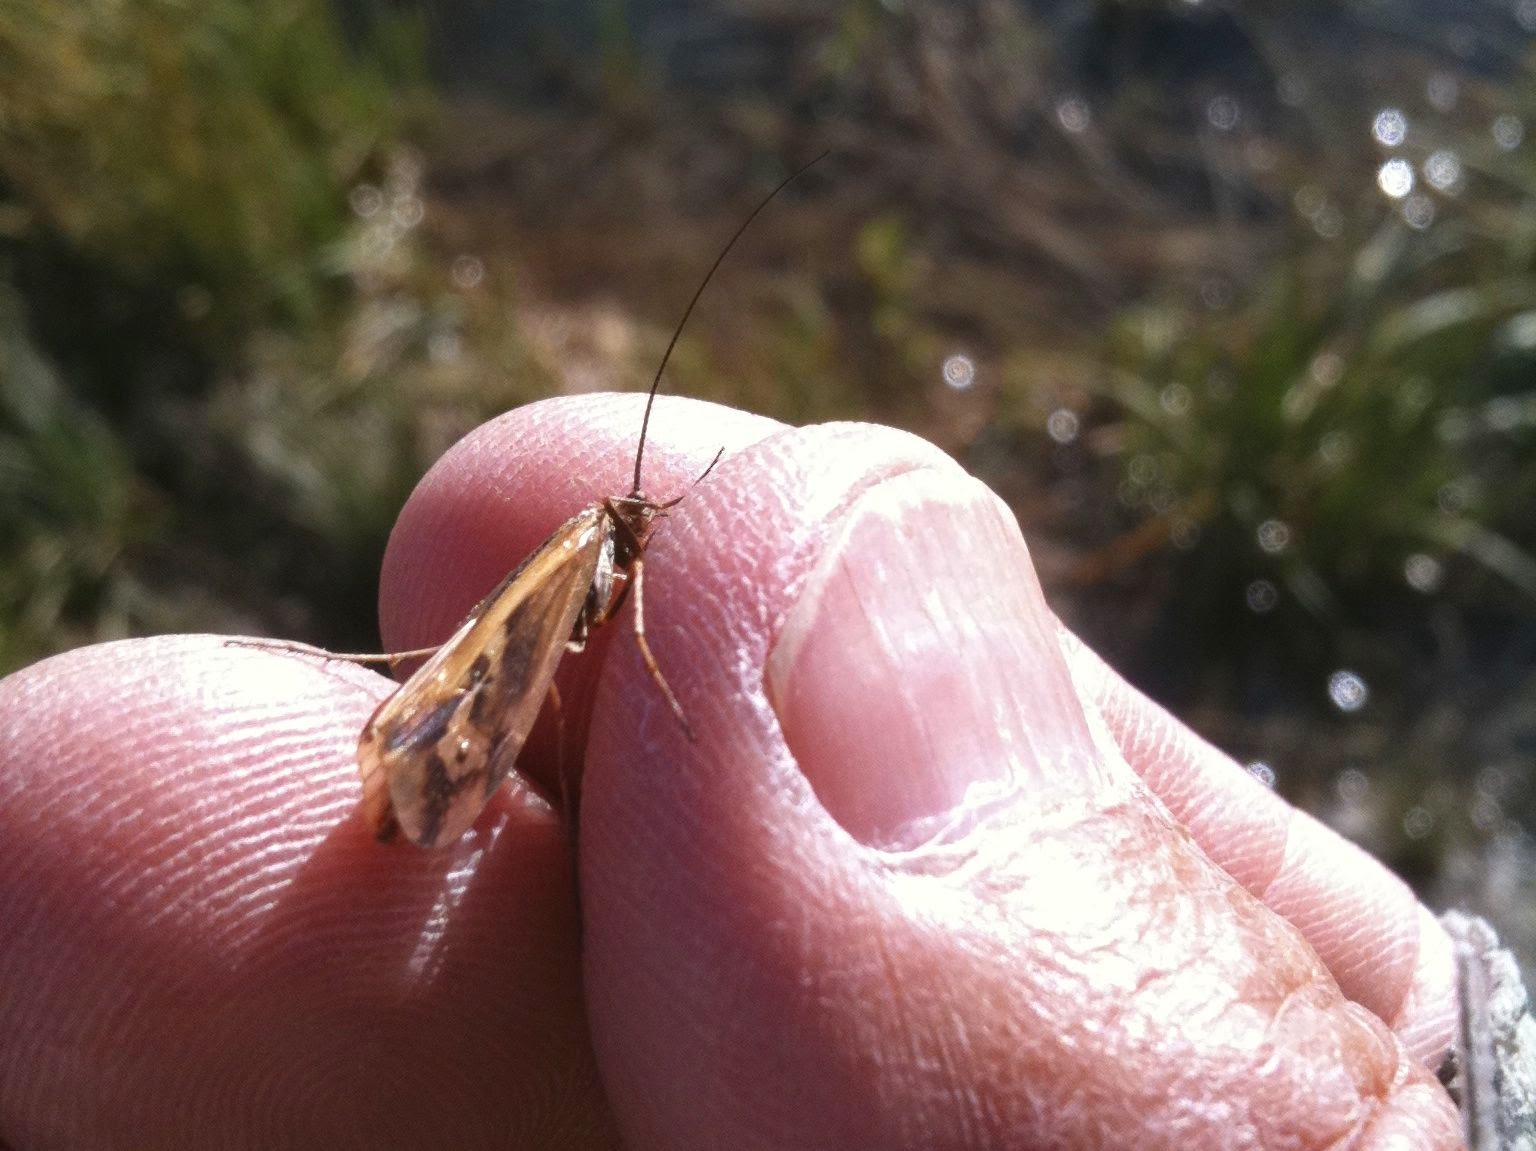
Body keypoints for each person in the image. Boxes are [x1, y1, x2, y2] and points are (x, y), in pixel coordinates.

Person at [0, 395, 1464, 1148]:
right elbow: (589, 633)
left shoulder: (603, 543)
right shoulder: (593, 548)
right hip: (469, 701)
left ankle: (409, 723)